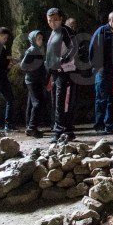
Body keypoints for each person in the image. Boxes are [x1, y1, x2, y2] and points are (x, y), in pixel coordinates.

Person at [89, 11, 113, 135]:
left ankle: (110, 124)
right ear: (109, 19)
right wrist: (98, 67)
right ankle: (99, 125)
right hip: (104, 71)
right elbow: (92, 49)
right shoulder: (102, 31)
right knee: (101, 99)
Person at [45, 8, 78, 142]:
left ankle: (60, 131)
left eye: (55, 20)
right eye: (50, 20)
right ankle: (65, 130)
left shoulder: (65, 30)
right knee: (59, 101)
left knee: (63, 101)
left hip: (66, 71)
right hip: (56, 72)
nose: (52, 23)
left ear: (61, 19)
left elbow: (74, 47)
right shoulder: (54, 32)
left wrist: (63, 60)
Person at [20, 30, 47, 138]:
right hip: (33, 80)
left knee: (31, 103)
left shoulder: (37, 50)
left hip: (35, 79)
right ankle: (32, 127)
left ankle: (30, 126)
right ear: (33, 40)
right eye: (38, 38)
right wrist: (34, 69)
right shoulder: (31, 50)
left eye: (41, 38)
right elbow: (23, 66)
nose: (40, 40)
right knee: (37, 103)